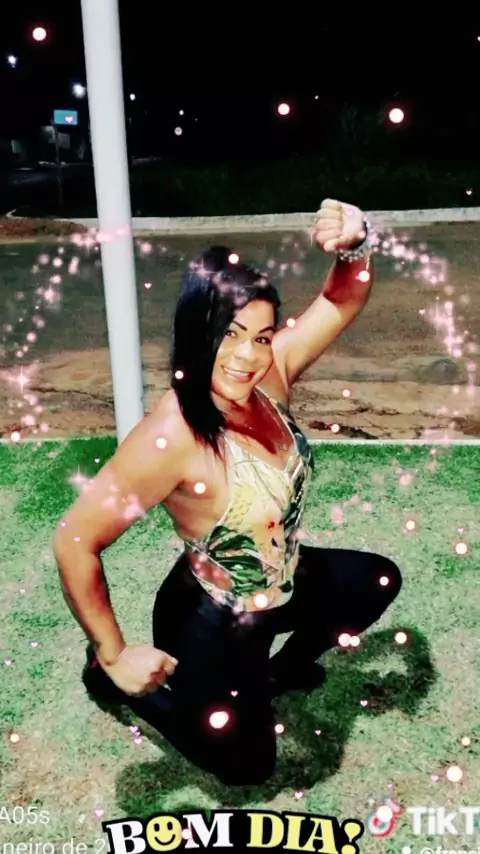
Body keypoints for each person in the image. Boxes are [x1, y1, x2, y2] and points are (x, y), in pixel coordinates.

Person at [53, 199, 402, 786]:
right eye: (230, 334)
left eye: (262, 337)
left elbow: (341, 300)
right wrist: (114, 652)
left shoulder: (269, 375)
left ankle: (281, 673)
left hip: (286, 579)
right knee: (247, 769)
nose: (247, 356)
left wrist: (355, 246)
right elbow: (75, 541)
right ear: (198, 333)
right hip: (213, 617)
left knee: (375, 581)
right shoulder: (169, 438)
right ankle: (119, 683)